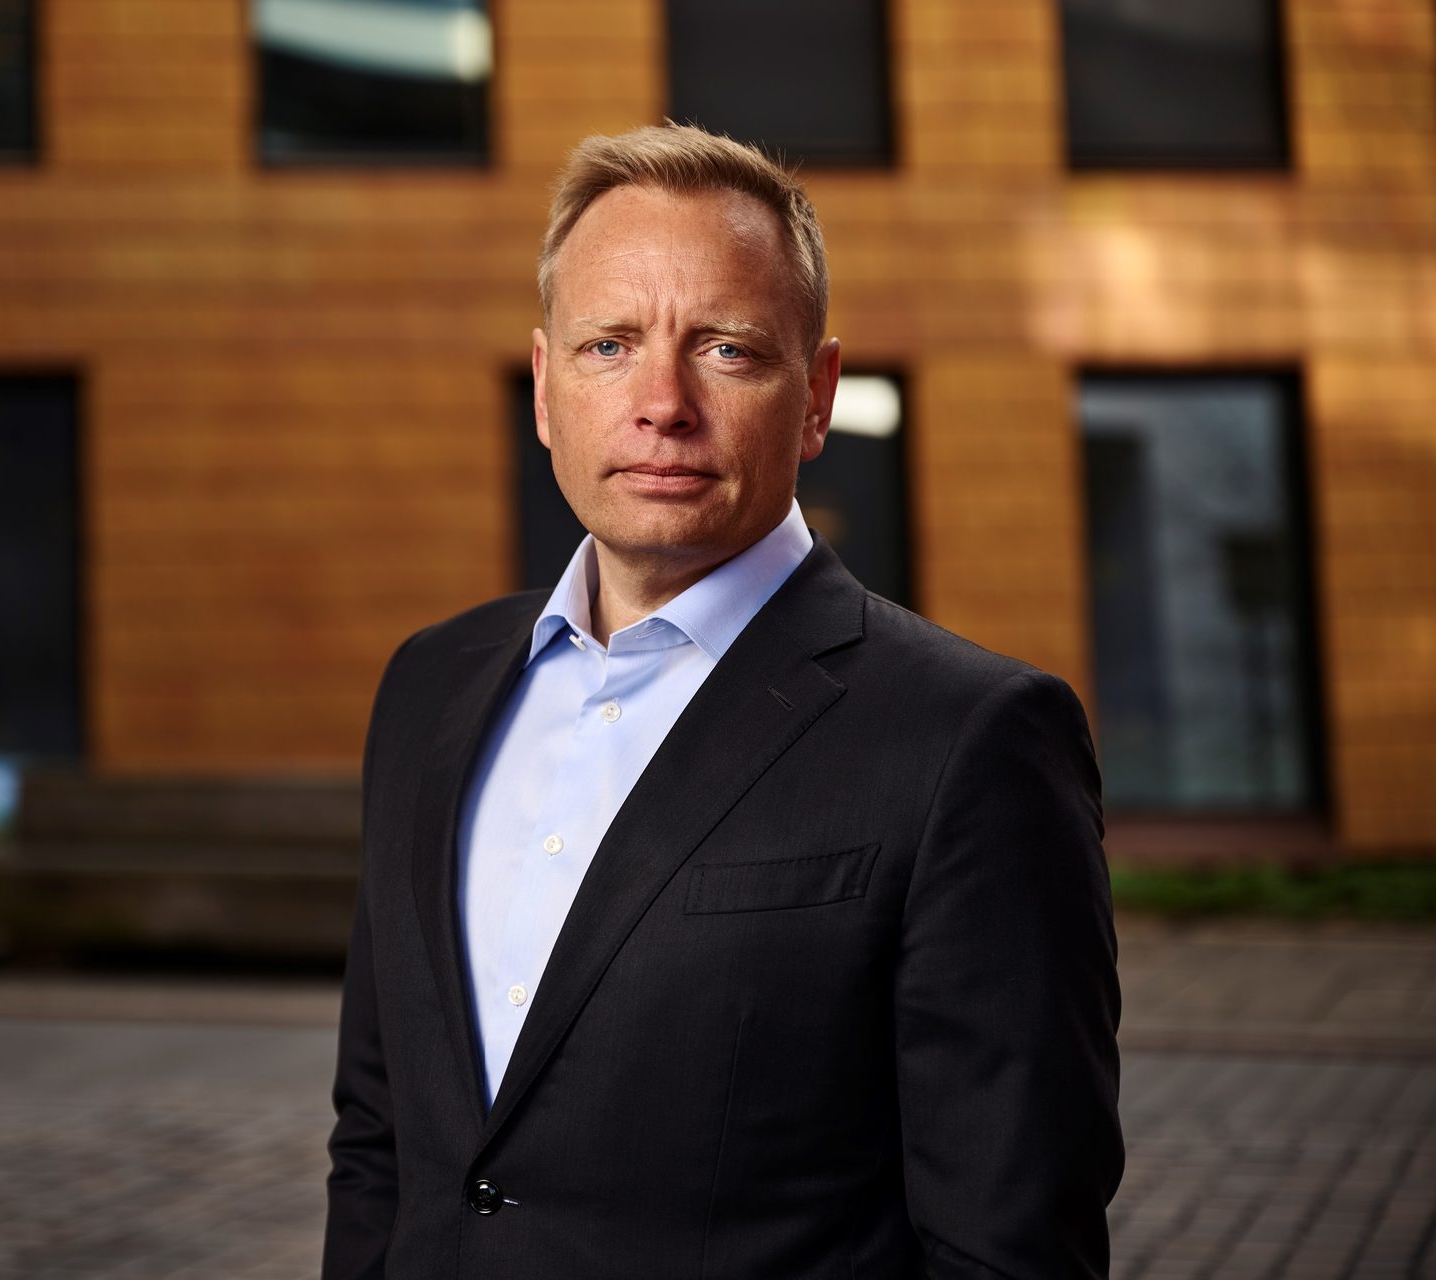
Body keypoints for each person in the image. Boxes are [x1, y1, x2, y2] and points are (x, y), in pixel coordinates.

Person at [324, 124, 1122, 1279]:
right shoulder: (429, 688)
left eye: (728, 351)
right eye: (608, 344)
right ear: (546, 389)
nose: (661, 401)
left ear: (818, 396)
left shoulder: (972, 740)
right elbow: (381, 1134)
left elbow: (1012, 1244)